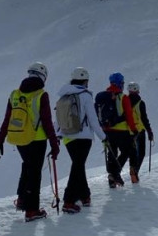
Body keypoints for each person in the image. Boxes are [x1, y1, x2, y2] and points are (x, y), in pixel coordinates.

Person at [0, 62, 60, 222]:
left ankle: (23, 200)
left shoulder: (15, 94)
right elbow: (47, 121)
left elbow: (7, 119)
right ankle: (32, 210)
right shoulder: (41, 95)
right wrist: (54, 143)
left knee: (27, 166)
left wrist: (0, 140)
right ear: (43, 77)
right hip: (37, 140)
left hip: (18, 139)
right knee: (35, 172)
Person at [56, 67, 107, 214]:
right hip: (83, 137)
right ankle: (69, 201)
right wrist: (103, 137)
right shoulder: (85, 96)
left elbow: (58, 119)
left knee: (78, 165)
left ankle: (84, 196)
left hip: (67, 137)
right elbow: (93, 120)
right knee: (77, 167)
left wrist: (56, 134)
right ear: (85, 81)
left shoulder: (63, 95)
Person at [95, 72, 138, 188]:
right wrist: (134, 130)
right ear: (119, 83)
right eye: (122, 83)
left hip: (107, 130)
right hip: (121, 130)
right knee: (126, 151)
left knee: (112, 152)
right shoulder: (122, 97)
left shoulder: (103, 96)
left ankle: (111, 179)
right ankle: (115, 173)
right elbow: (129, 115)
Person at [126, 82, 154, 184]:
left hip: (128, 131)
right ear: (137, 90)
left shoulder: (125, 101)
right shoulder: (140, 103)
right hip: (139, 130)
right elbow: (144, 118)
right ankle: (135, 171)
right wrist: (149, 131)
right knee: (141, 153)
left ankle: (132, 169)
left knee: (132, 153)